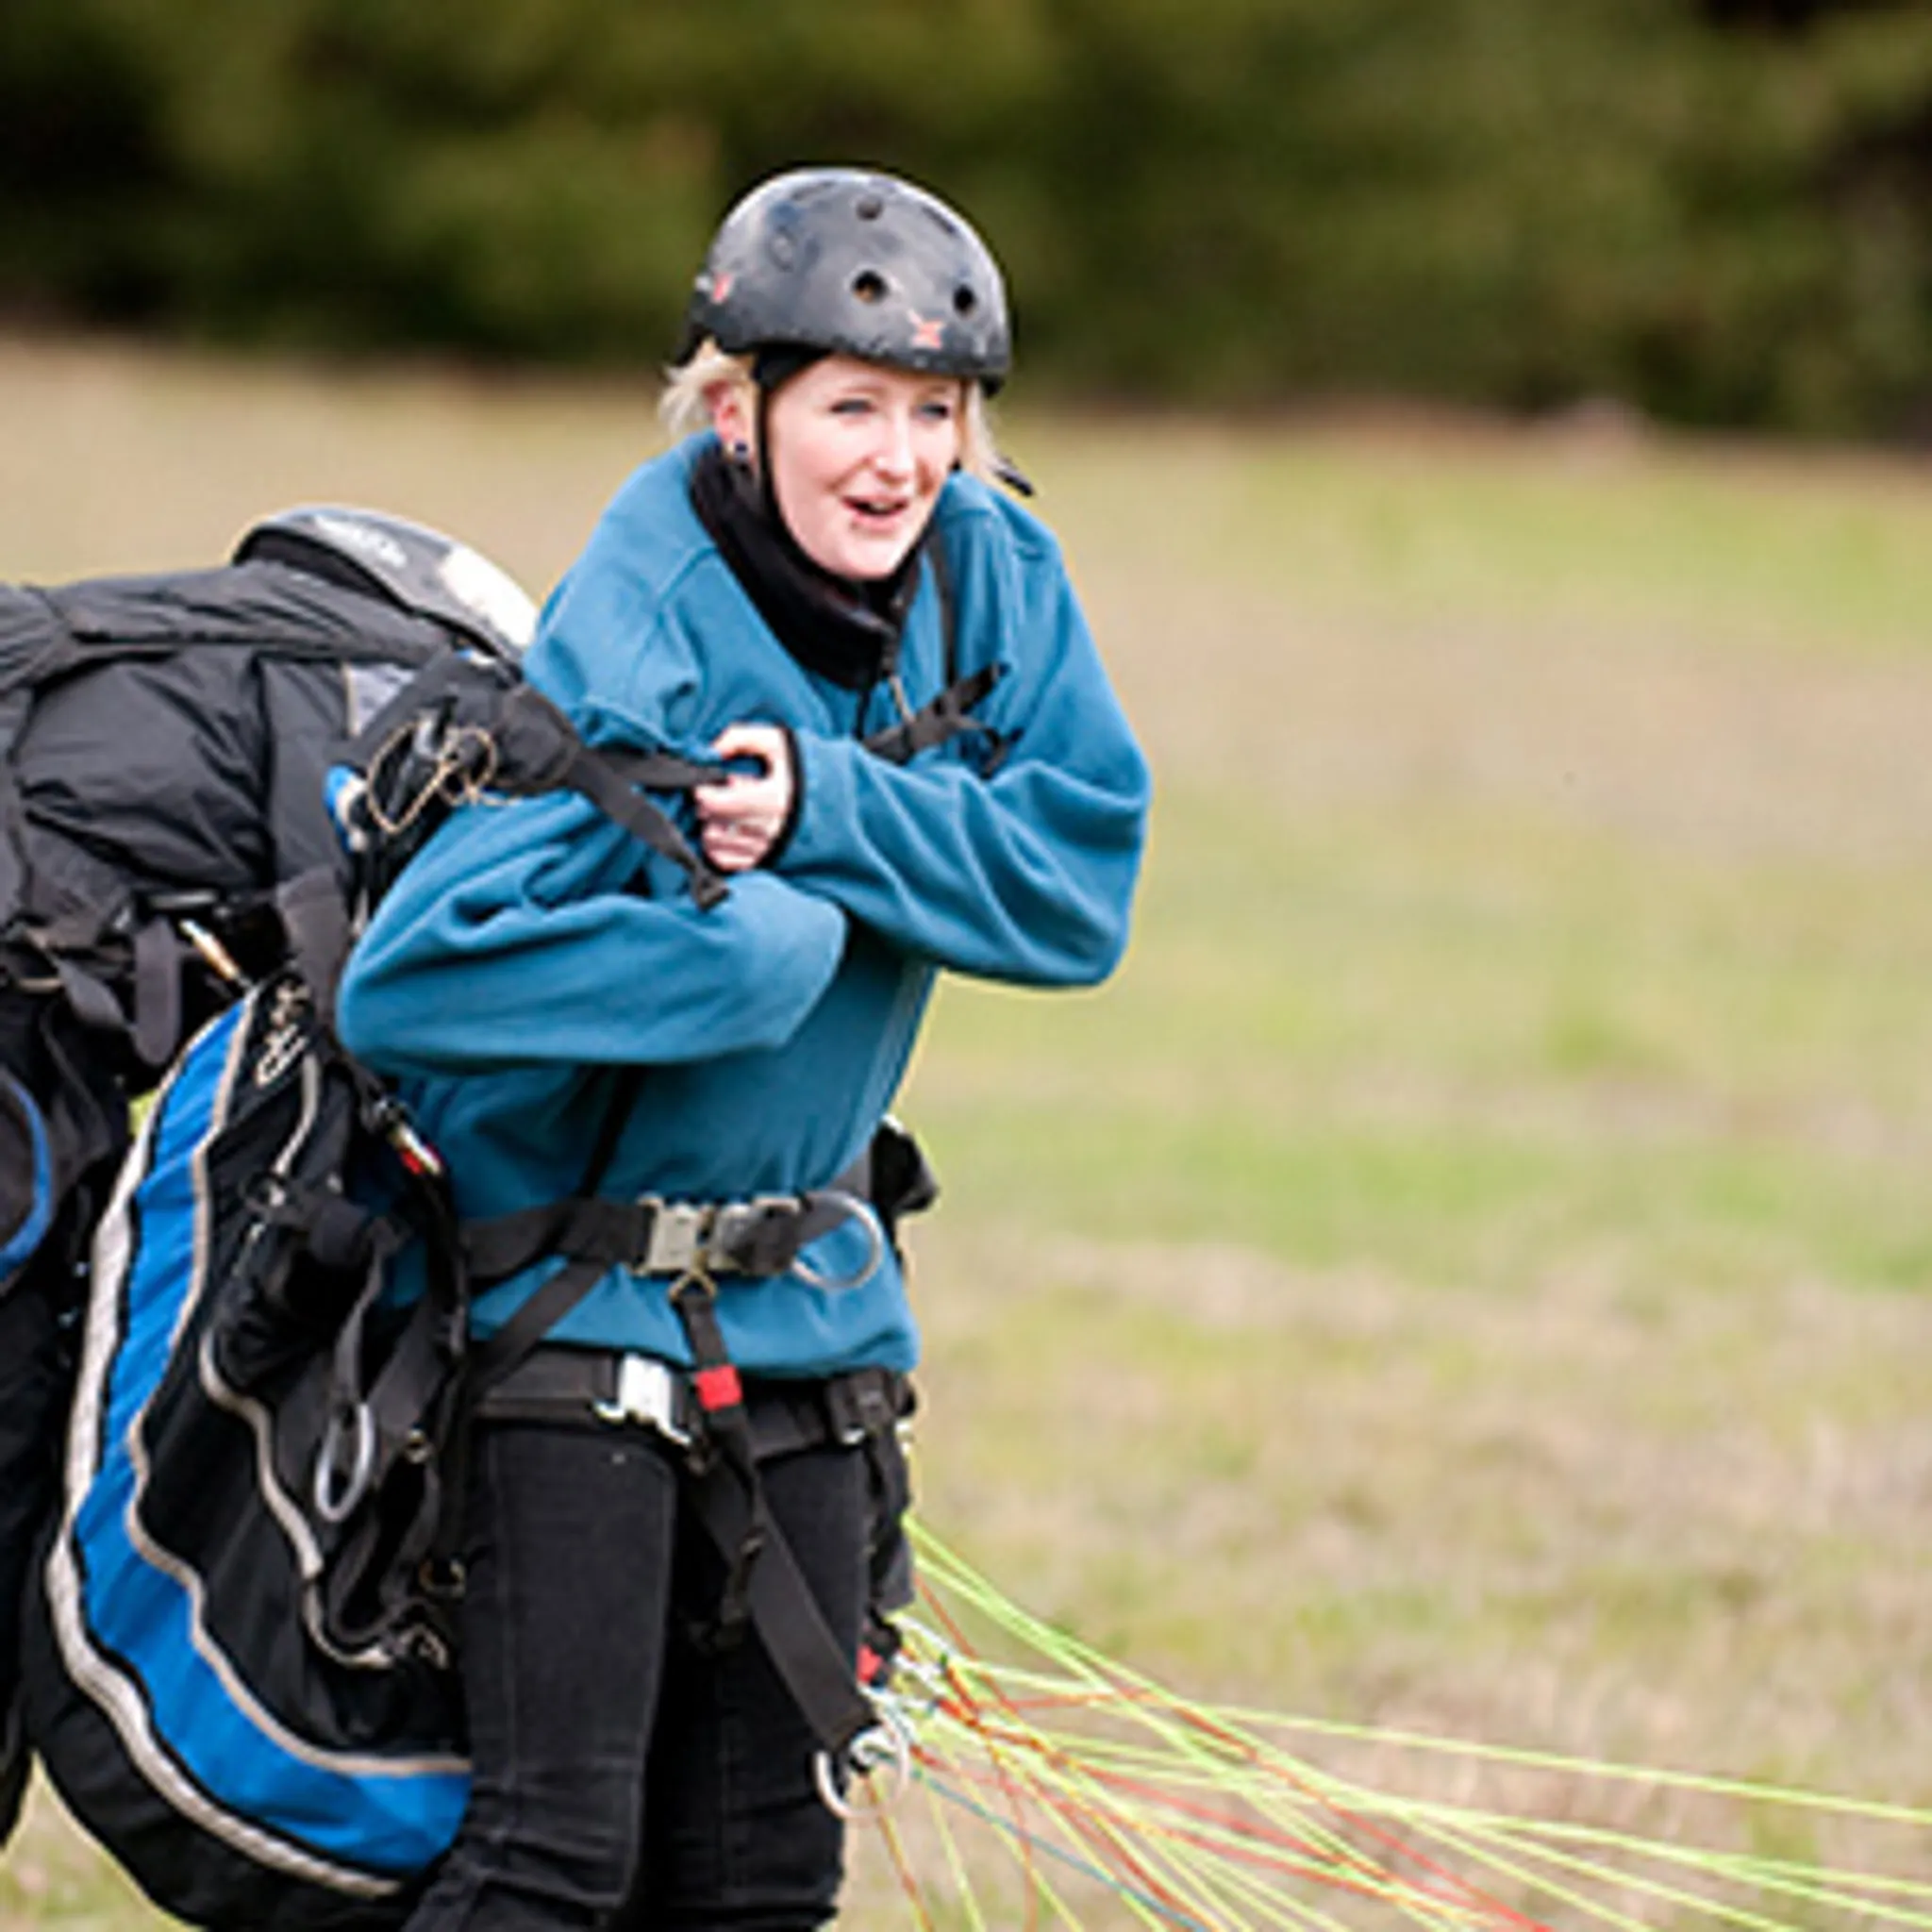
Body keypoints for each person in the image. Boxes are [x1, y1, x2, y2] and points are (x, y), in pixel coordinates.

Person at [336, 164, 1151, 1929]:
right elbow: (403, 986)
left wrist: (828, 815)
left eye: (936, 412)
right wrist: (734, 960)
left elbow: (1082, 884)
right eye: (852, 406)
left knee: (767, 1882)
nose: (899, 459)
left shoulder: (991, 575)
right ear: (736, 412)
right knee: (555, 1862)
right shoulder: (632, 624)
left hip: (816, 1317)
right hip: (574, 1319)